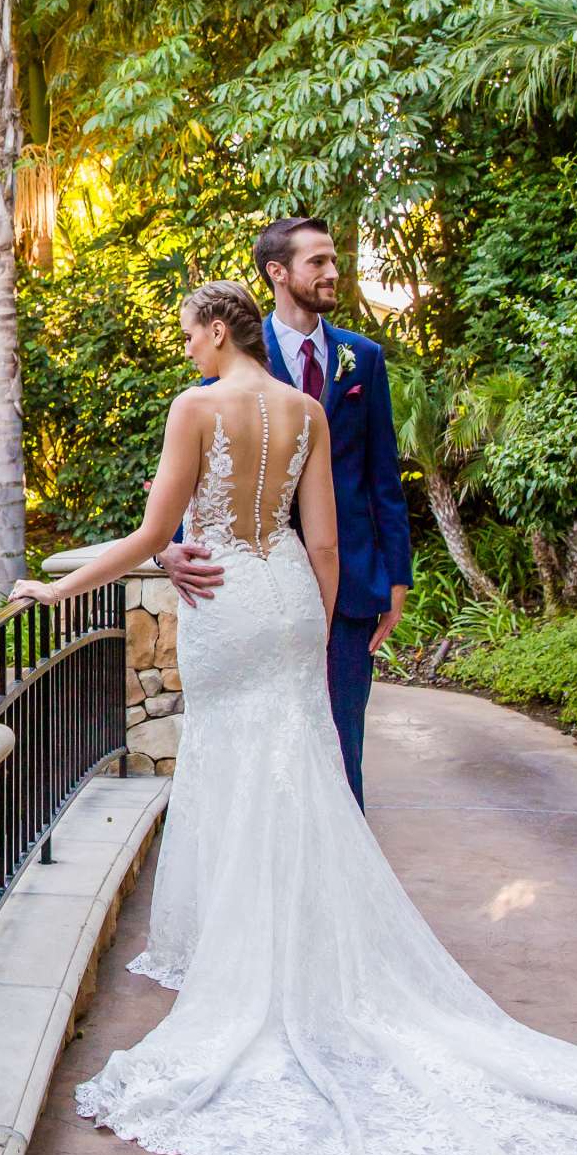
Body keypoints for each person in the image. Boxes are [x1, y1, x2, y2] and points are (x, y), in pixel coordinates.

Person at [8, 281, 577, 1155]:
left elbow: (153, 531)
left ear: (216, 330)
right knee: (302, 773)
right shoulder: (306, 411)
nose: (186, 352)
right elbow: (323, 544)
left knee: (236, 772)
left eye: (188, 336)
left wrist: (55, 588)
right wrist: (310, 623)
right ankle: (301, 947)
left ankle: (248, 959)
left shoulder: (195, 407)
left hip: (224, 608)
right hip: (285, 600)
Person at [158, 216, 407, 808]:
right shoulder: (235, 351)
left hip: (344, 584)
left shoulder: (362, 358)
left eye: (332, 260)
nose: (331, 272)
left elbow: (382, 476)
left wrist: (397, 576)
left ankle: (337, 881)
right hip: (246, 587)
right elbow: (195, 469)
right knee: (260, 755)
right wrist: (168, 546)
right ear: (278, 272)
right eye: (316, 262)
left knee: (337, 744)